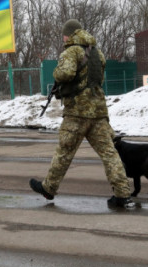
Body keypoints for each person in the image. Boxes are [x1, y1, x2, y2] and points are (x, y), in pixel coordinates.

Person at [29, 19, 134, 209]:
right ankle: (123, 194)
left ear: (69, 34)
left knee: (64, 153)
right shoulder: (97, 53)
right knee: (110, 154)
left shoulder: (72, 51)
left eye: (64, 34)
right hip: (98, 111)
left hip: (77, 112)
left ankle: (49, 188)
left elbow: (65, 74)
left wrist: (57, 72)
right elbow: (98, 78)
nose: (63, 37)